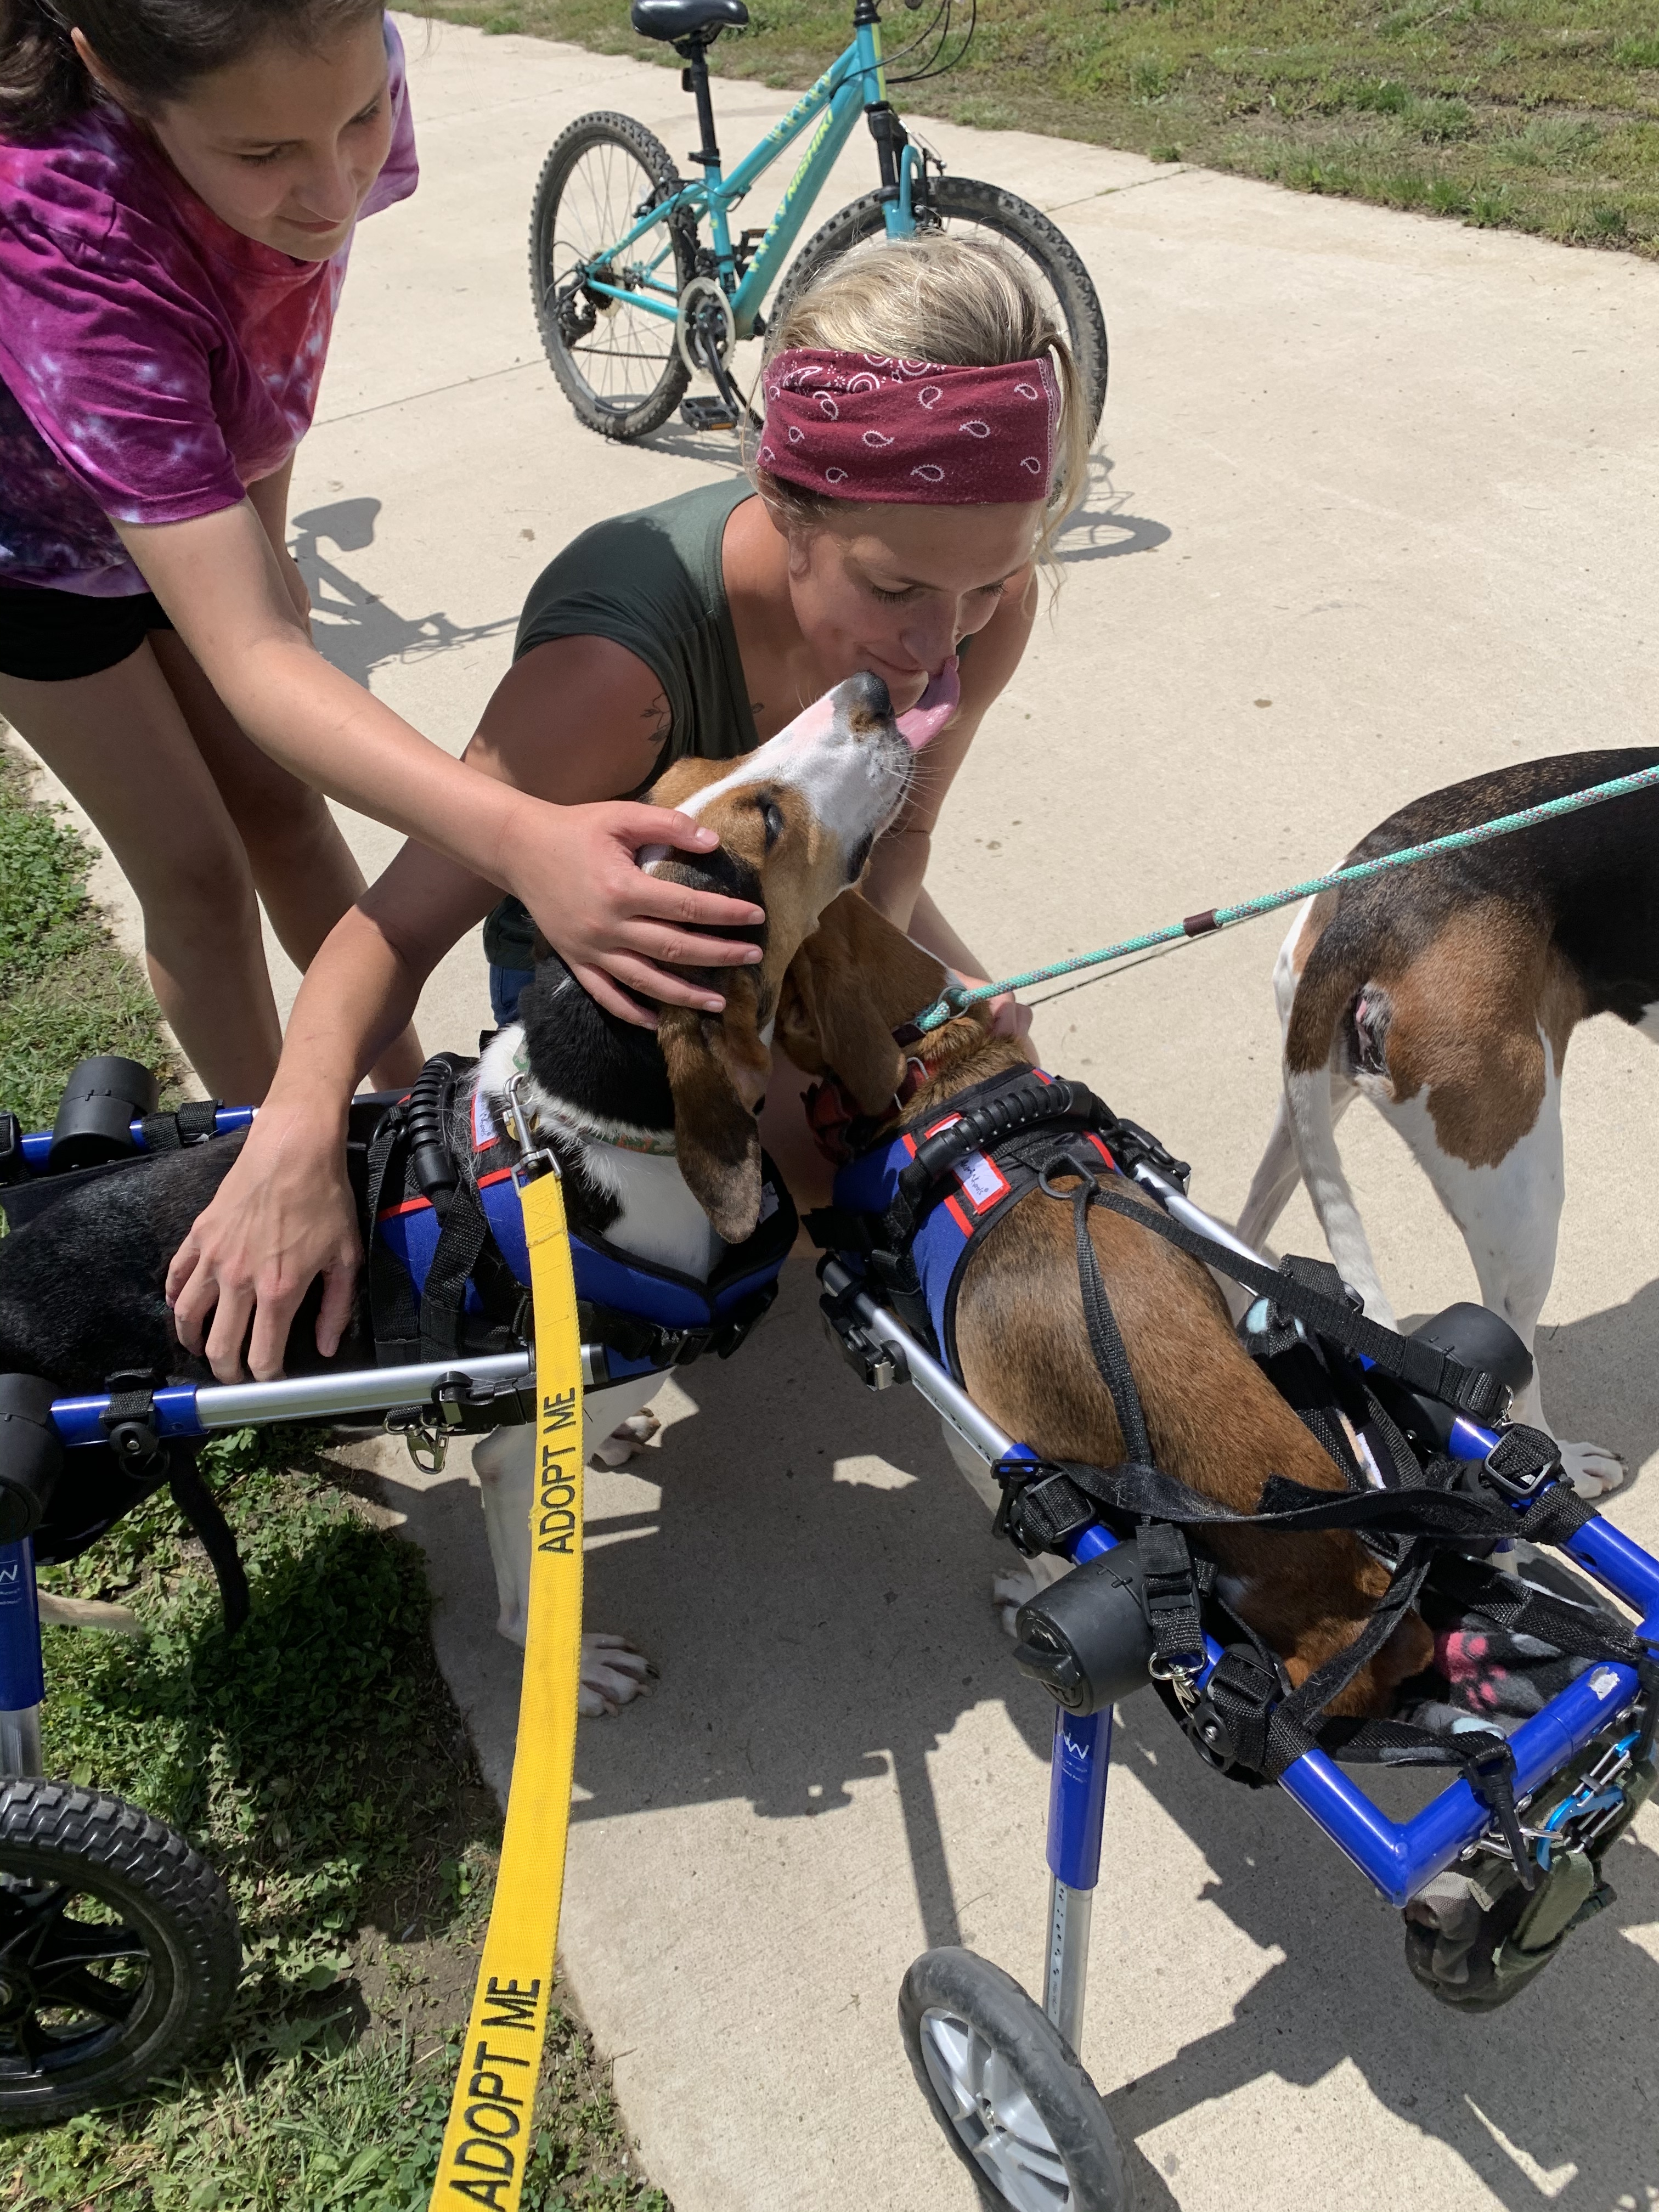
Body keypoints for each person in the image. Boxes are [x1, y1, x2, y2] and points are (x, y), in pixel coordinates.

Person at [167, 234, 1091, 1380]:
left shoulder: (981, 605)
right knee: (804, 1203)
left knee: (968, 1108)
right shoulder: (616, 682)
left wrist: (908, 995)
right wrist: (293, 1132)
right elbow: (390, 928)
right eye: (895, 587)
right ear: (786, 508)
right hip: (620, 980)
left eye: (987, 584)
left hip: (792, 912)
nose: (936, 643)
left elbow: (895, 839)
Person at [0, 0, 760, 1103]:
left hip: (198, 496)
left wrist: (267, 535)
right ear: (112, 75)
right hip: (37, 562)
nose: (332, 191)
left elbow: (269, 355)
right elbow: (252, 652)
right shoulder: (62, 234)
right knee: (200, 876)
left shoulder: (319, 63)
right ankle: (270, 1157)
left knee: (287, 813)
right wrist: (520, 838)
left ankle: (412, 1119)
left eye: (360, 121)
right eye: (262, 153)